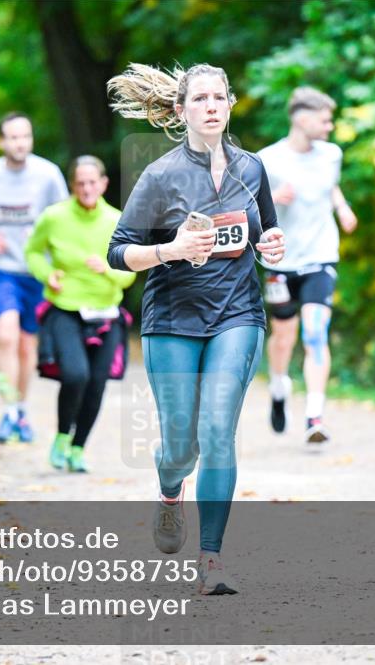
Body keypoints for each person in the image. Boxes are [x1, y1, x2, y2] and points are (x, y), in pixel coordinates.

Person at [107, 63, 286, 594]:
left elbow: (266, 233)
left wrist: (271, 246)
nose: (211, 106)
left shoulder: (252, 170)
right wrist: (171, 250)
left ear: (230, 105)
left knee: (217, 433)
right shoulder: (160, 176)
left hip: (237, 314)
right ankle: (169, 491)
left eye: (219, 97)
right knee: (180, 447)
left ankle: (211, 561)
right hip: (173, 321)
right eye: (200, 98)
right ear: (182, 110)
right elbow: (118, 252)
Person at [0, 113, 69, 443]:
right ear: (1, 141)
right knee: (5, 332)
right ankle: (8, 410)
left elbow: (63, 217)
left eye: (26, 136)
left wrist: (60, 261)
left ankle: (19, 410)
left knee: (26, 344)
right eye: (14, 137)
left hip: (35, 269)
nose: (20, 143)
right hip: (0, 268)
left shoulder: (48, 174)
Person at [258, 87, 357, 444]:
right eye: (325, 119)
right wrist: (270, 198)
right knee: (283, 337)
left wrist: (342, 206)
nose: (330, 127)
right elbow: (246, 206)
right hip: (280, 260)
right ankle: (279, 387)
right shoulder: (266, 160)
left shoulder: (332, 155)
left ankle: (314, 415)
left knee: (315, 332)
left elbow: (329, 186)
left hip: (320, 255)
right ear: (302, 118)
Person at [24, 156, 136, 472]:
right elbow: (32, 251)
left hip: (106, 312)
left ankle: (78, 448)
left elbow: (129, 274)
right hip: (65, 309)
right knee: (75, 375)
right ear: (73, 185)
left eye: (92, 182)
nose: (87, 188)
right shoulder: (54, 217)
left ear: (103, 184)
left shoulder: (117, 220)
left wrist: (108, 270)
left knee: (97, 382)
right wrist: (47, 274)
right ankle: (61, 436)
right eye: (80, 183)